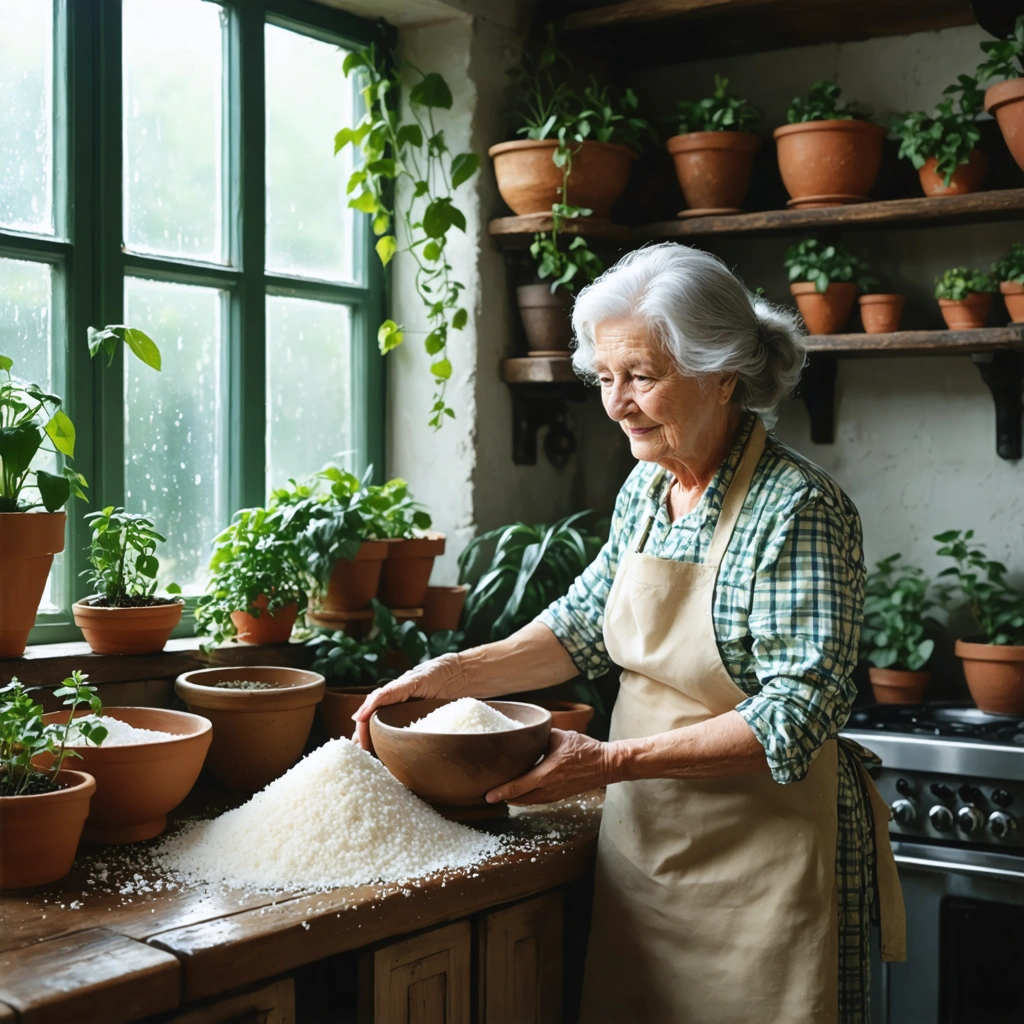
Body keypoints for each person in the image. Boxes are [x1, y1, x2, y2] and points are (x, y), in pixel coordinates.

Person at [355, 243, 905, 1024]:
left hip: (764, 868)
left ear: (722, 374)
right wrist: (447, 677)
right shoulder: (647, 489)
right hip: (646, 856)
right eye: (606, 377)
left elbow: (800, 710)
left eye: (642, 376)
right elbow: (579, 628)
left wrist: (612, 761)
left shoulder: (797, 509)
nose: (617, 403)